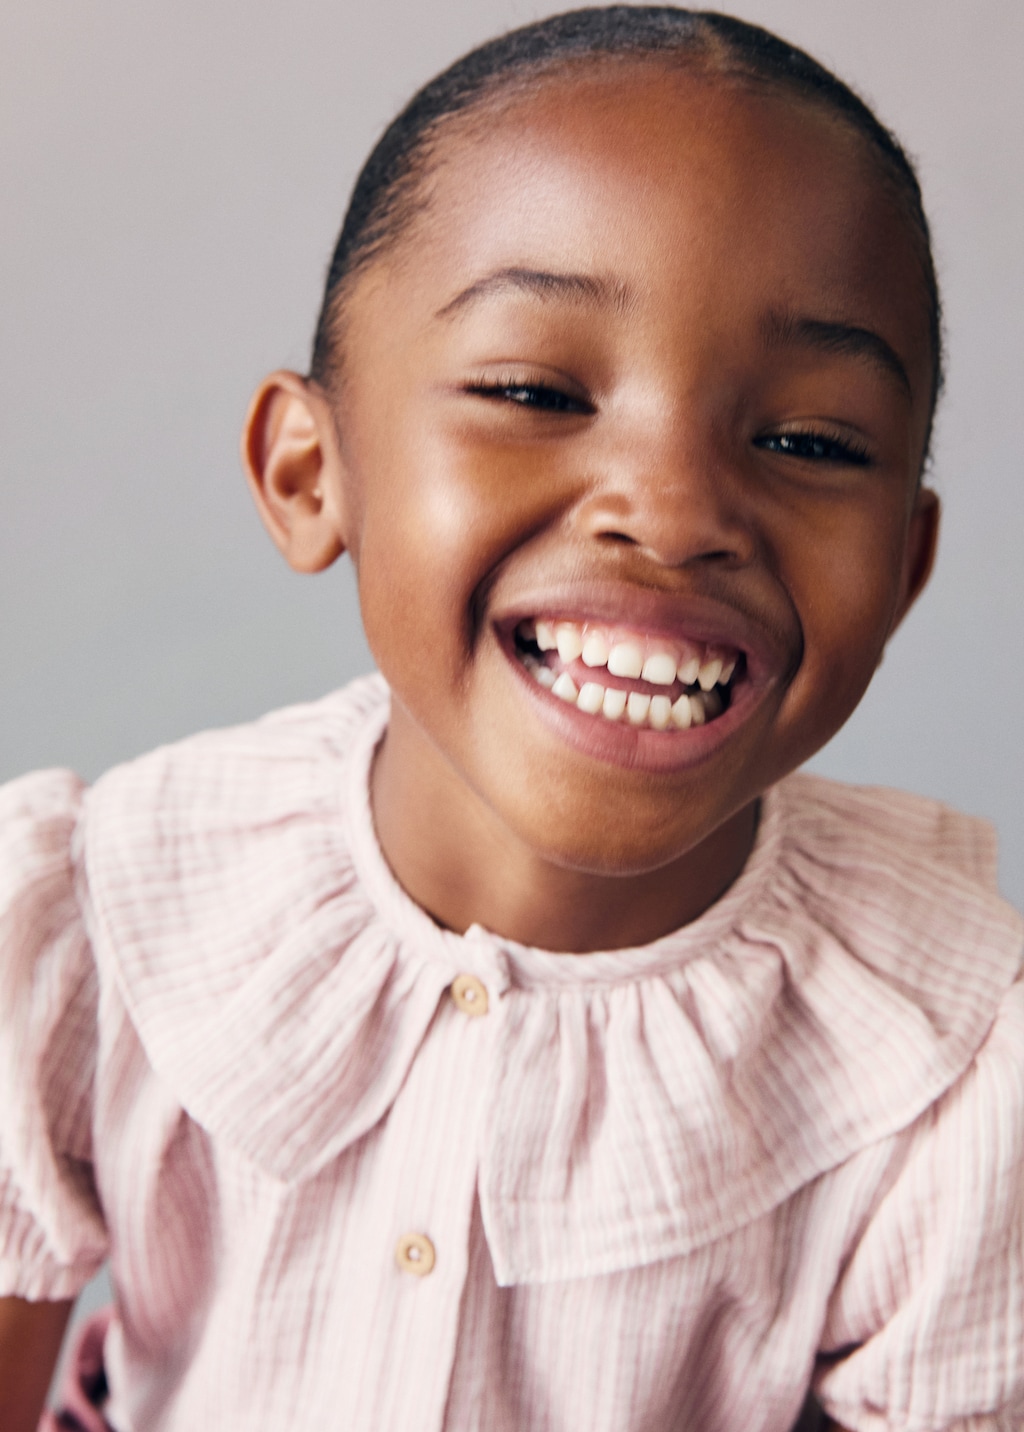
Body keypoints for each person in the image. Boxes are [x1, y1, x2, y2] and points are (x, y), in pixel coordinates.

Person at [1, 7, 1021, 1430]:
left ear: (905, 570)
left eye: (808, 440)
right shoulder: (82, 925)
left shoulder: (963, 1060)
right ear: (311, 473)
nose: (671, 514)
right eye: (535, 391)